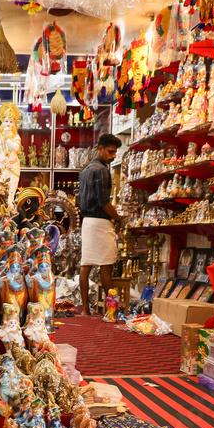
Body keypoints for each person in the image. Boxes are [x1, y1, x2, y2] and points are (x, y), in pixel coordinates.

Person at [78, 132, 122, 314]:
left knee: (86, 264)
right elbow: (104, 202)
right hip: (101, 222)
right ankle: (111, 311)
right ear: (100, 149)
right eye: (110, 152)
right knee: (106, 264)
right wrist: (118, 218)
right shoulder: (102, 170)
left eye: (115, 153)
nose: (113, 156)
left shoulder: (85, 170)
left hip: (87, 221)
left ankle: (86, 310)